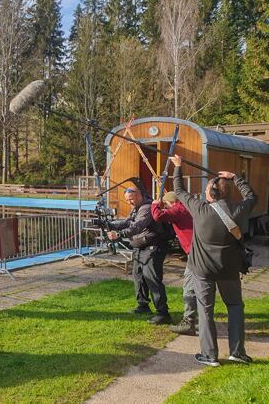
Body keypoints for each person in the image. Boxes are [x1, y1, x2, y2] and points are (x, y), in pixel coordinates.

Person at [170, 154, 257, 367]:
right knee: (235, 306)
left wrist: (178, 167)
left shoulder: (200, 209)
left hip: (202, 270)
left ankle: (209, 355)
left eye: (208, 187)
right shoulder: (239, 210)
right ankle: (237, 352)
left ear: (211, 193)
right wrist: (235, 177)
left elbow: (179, 190)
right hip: (229, 270)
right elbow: (252, 196)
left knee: (205, 310)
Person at [106, 186, 172, 325]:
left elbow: (138, 226)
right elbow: (128, 222)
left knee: (152, 278)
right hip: (140, 247)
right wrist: (111, 225)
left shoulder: (146, 207)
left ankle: (163, 312)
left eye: (131, 199)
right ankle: (143, 305)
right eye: (127, 200)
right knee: (138, 276)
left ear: (138, 195)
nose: (129, 202)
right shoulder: (136, 207)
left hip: (152, 247)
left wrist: (119, 234)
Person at [151, 192, 196, 335]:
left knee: (189, 288)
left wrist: (154, 205)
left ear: (171, 202)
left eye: (167, 204)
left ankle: (189, 323)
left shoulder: (178, 209)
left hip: (195, 254)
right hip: (199, 251)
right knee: (201, 288)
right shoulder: (188, 207)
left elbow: (157, 216)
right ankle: (199, 320)